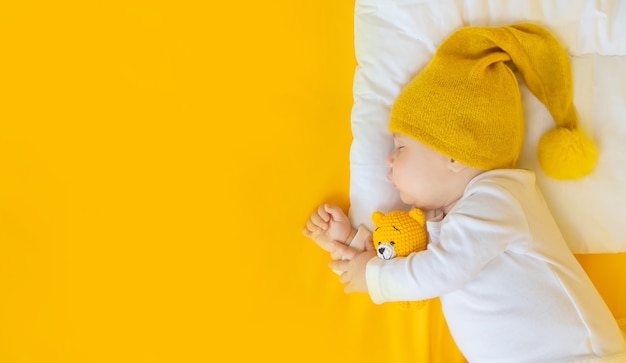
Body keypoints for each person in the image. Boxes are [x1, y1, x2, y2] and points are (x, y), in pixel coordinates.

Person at [303, 23, 626, 362]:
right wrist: (350, 242)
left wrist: (373, 278)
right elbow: (394, 255)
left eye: (400, 147)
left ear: (453, 155)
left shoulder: (500, 199)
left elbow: (439, 271)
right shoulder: (447, 216)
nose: (388, 158)